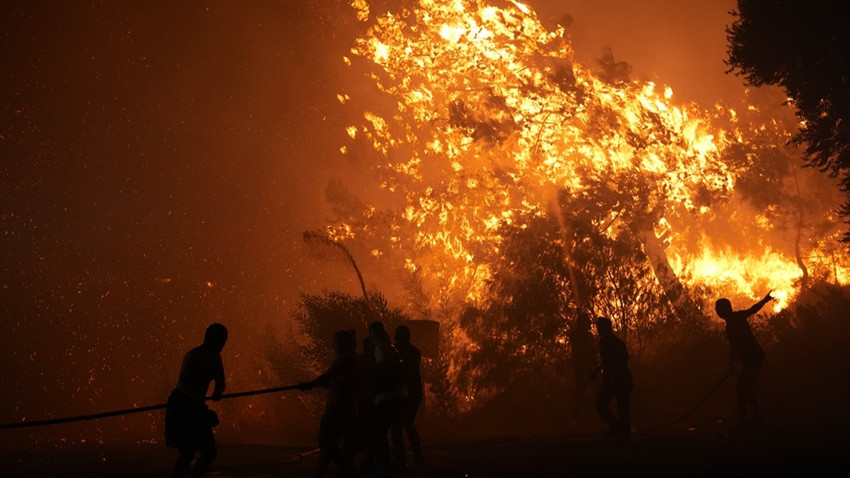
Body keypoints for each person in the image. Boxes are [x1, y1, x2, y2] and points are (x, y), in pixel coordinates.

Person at [165, 323, 228, 478]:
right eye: (221, 341)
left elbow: (219, 382)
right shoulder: (204, 357)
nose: (222, 345)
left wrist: (216, 393)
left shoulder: (201, 355)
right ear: (212, 339)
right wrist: (207, 407)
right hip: (185, 406)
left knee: (192, 453)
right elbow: (190, 388)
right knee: (200, 452)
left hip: (183, 405)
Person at [299, 330, 360, 478]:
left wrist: (309, 384)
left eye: (336, 341)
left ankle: (347, 470)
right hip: (346, 405)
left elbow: (330, 375)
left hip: (338, 406)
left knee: (325, 441)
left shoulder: (343, 358)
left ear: (341, 343)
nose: (333, 345)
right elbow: (339, 379)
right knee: (330, 443)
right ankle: (324, 473)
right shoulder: (353, 358)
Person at [715, 291, 773, 425]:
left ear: (726, 309)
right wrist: (731, 364)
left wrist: (764, 300)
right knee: (744, 386)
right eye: (716, 309)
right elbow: (734, 346)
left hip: (754, 357)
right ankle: (752, 414)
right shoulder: (730, 324)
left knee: (742, 387)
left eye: (719, 308)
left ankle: (747, 416)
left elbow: (752, 310)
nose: (717, 311)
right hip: (750, 358)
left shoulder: (736, 318)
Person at [367, 321, 406, 477]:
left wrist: (373, 384)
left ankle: (384, 466)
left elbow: (383, 370)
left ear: (373, 334)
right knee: (384, 430)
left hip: (389, 396)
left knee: (376, 431)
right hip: (398, 395)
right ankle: (388, 464)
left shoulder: (381, 348)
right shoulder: (390, 347)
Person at [592, 316, 632, 440]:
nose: (598, 329)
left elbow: (621, 360)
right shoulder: (605, 342)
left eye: (600, 327)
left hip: (620, 379)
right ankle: (621, 429)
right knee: (615, 407)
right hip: (616, 379)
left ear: (607, 328)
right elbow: (607, 361)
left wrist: (610, 375)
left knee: (617, 407)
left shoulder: (613, 343)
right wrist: (597, 371)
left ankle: (621, 431)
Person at [391, 324, 424, 466]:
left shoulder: (399, 352)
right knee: (406, 423)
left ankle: (401, 457)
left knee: (401, 424)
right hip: (414, 391)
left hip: (407, 392)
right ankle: (416, 454)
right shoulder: (414, 351)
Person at [569, 313, 597, 421]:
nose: (590, 323)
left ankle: (576, 416)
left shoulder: (576, 335)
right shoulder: (582, 336)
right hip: (585, 367)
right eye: (588, 322)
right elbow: (589, 350)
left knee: (582, 392)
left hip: (584, 367)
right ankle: (576, 416)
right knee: (584, 392)